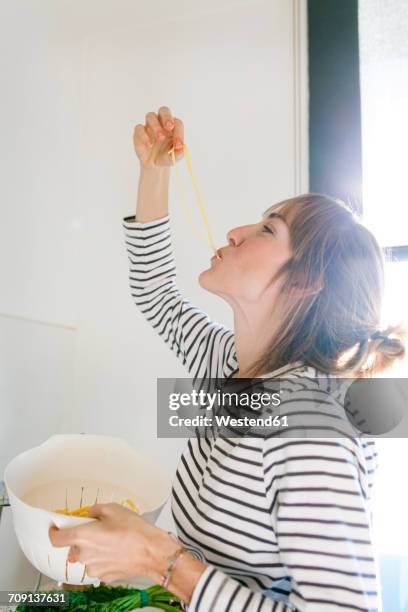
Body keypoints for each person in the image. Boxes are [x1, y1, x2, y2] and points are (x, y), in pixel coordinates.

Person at [50, 106, 407, 611]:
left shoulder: (311, 428)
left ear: (307, 282)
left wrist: (161, 560)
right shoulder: (232, 366)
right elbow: (155, 293)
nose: (236, 231)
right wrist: (155, 170)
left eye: (267, 230)